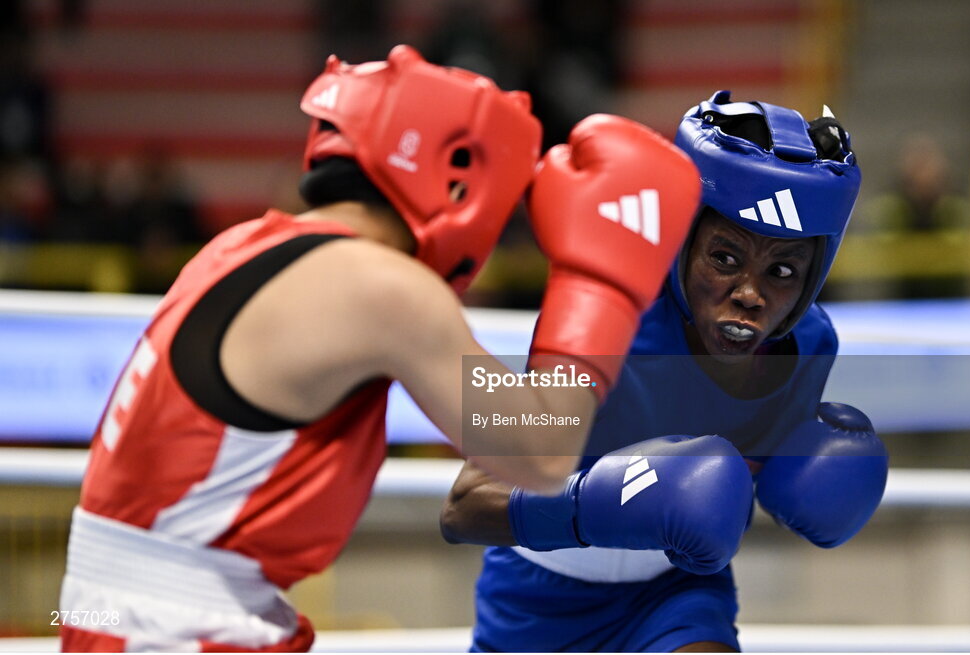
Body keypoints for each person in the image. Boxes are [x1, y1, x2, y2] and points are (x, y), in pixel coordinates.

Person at [57, 45, 703, 652]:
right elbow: (537, 449)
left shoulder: (242, 245)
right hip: (170, 622)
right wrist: (597, 280)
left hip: (133, 606)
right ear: (457, 179)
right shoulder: (381, 286)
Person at [441, 91, 889, 652]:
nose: (749, 295)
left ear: (812, 278)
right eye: (724, 259)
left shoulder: (811, 347)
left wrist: (804, 478)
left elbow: (723, 490)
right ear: (683, 244)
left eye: (781, 270)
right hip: (539, 591)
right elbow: (462, 505)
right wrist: (600, 502)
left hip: (673, 591)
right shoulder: (605, 317)